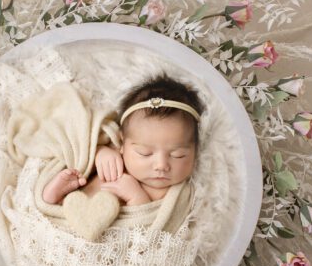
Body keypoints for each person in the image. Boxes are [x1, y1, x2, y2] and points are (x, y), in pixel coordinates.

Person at [42, 74, 205, 206]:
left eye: (178, 155)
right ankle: (54, 199)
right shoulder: (117, 154)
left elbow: (153, 234)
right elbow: (78, 143)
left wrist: (137, 198)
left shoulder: (176, 195)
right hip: (69, 211)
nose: (161, 165)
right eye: (145, 153)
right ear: (122, 142)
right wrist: (99, 152)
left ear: (195, 149)